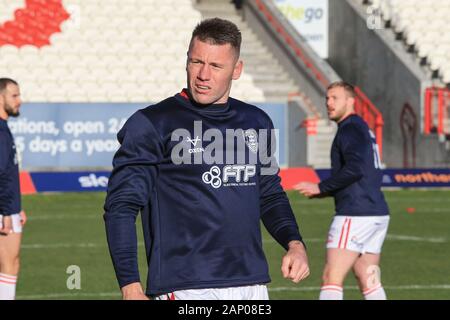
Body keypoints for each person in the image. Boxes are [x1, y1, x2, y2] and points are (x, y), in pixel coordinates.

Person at [104, 18, 309, 300]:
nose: (203, 74)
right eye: (196, 61)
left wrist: (294, 243)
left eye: (215, 66)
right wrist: (130, 286)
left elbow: (269, 194)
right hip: (185, 287)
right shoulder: (152, 123)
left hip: (251, 285)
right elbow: (121, 207)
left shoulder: (256, 121)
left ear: (236, 70)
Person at [296, 81, 389, 300]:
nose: (328, 103)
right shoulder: (361, 127)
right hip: (376, 213)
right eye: (327, 98)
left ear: (350, 101)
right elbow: (363, 172)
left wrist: (321, 186)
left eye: (334, 98)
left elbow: (355, 169)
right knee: (369, 278)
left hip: (355, 215)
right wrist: (325, 192)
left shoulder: (350, 128)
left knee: (331, 277)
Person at [0, 78, 27, 300]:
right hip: (4, 210)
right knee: (8, 264)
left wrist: (17, 208)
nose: (20, 100)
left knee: (11, 263)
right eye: (14, 96)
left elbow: (8, 174)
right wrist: (6, 211)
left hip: (10, 208)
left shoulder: (4, 127)